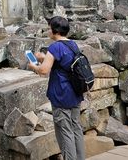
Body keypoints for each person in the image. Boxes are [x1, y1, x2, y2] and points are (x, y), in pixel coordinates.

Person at [28, 16, 85, 160]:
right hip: (75, 93)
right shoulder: (72, 45)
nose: (48, 30)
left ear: (55, 31)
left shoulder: (55, 47)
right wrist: (43, 57)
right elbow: (63, 62)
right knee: (76, 128)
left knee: (65, 132)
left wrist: (34, 66)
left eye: (49, 28)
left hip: (61, 95)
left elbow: (44, 71)